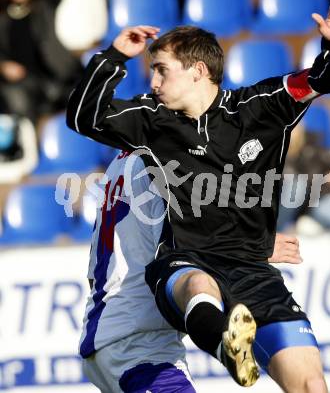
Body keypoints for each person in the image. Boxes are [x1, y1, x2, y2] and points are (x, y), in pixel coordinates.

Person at [67, 1, 330, 392]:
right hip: (184, 265)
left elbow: (320, 80)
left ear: (198, 71)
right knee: (198, 284)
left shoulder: (259, 107)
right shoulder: (152, 122)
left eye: (161, 70)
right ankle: (228, 347)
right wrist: (115, 56)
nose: (153, 83)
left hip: (251, 271)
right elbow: (84, 116)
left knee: (311, 384)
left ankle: (232, 340)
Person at [80, 149, 303, 393]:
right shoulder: (160, 158)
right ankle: (222, 343)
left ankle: (221, 342)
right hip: (138, 345)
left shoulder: (120, 162)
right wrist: (251, 248)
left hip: (117, 332)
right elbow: (186, 247)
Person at [0, 0, 83, 123]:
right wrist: (3, 65)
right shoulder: (3, 17)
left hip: (58, 75)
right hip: (26, 82)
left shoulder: (44, 5)